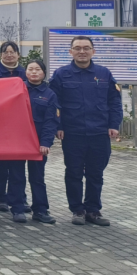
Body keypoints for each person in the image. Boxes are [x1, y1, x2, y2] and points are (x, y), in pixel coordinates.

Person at [50, 35, 121, 227]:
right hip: (73, 133)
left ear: (93, 51)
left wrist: (114, 125)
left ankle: (93, 210)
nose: (82, 51)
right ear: (70, 51)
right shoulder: (61, 74)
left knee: (95, 173)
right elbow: (54, 103)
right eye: (77, 48)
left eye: (86, 48)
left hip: (99, 132)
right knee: (73, 172)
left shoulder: (104, 73)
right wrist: (59, 126)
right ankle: (77, 210)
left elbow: (114, 101)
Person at [9, 59, 59, 224]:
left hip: (38, 143)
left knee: (37, 178)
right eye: (30, 69)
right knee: (16, 176)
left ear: (44, 73)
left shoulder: (50, 94)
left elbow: (51, 121)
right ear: (26, 72)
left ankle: (40, 210)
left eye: (37, 69)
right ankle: (17, 209)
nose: (34, 72)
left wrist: (46, 143)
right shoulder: (16, 88)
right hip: (17, 140)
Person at [0, 41, 24, 213]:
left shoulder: (24, 72)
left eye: (12, 52)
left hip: (18, 125)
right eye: (5, 52)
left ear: (18, 55)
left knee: (18, 166)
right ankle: (1, 198)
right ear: (0, 55)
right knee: (0, 166)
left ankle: (19, 198)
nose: (9, 55)